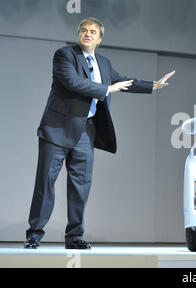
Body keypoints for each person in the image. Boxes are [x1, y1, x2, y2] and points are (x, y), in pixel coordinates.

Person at [24, 17, 175, 249]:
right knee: (45, 184)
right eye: (84, 30)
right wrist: (106, 89)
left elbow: (122, 81)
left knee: (80, 187)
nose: (87, 34)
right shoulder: (64, 55)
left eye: (93, 32)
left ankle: (74, 238)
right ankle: (34, 235)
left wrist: (152, 85)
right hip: (57, 130)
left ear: (100, 39)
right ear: (79, 34)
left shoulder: (103, 62)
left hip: (86, 131)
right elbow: (73, 82)